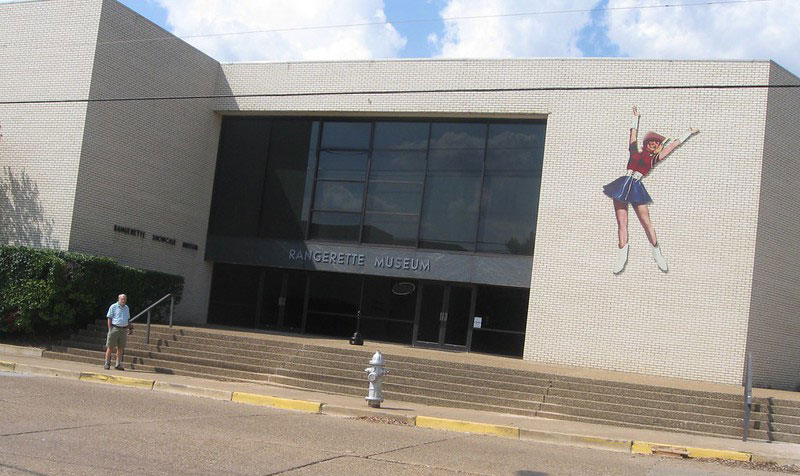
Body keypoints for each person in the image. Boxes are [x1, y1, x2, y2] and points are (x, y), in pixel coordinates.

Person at [603, 105, 699, 274]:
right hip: (622, 185)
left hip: (637, 187)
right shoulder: (634, 151)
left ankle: (657, 253)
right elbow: (632, 135)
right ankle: (622, 256)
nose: (654, 144)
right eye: (652, 141)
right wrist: (636, 118)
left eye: (657, 143)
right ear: (647, 143)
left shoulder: (654, 158)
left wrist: (688, 132)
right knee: (622, 222)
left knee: (646, 222)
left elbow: (672, 146)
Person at [104, 294, 132, 370]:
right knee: (110, 347)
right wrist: (110, 329)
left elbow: (127, 319)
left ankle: (118, 364)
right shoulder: (113, 307)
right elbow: (109, 318)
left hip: (123, 329)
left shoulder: (126, 308)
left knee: (121, 348)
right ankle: (107, 363)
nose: (123, 300)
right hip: (114, 328)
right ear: (119, 299)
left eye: (125, 299)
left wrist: (130, 327)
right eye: (122, 299)